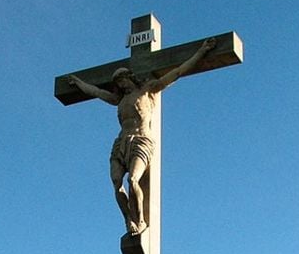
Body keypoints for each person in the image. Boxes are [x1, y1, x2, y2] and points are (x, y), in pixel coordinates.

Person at [67, 38, 217, 235]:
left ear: (130, 77)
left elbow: (178, 72)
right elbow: (95, 91)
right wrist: (78, 82)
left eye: (123, 79)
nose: (121, 84)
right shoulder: (118, 100)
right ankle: (128, 219)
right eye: (118, 82)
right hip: (121, 143)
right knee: (117, 183)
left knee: (133, 181)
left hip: (141, 140)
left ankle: (140, 220)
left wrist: (201, 51)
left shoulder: (148, 90)